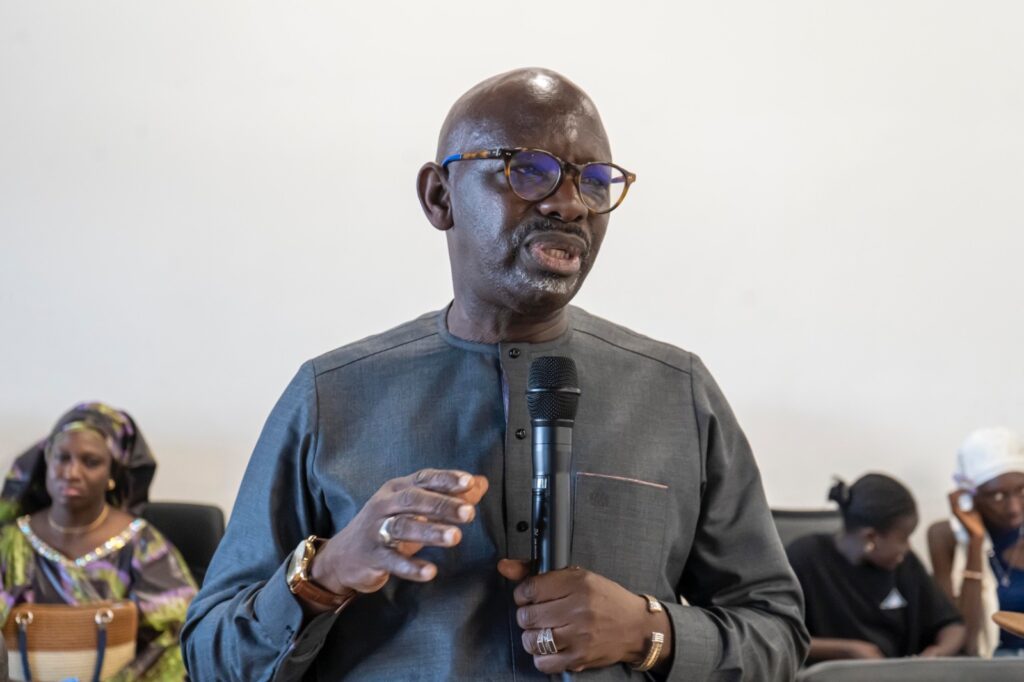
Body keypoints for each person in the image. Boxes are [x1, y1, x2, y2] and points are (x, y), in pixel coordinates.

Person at [182, 68, 809, 681]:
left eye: (594, 181)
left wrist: (649, 631)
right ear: (440, 196)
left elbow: (777, 632)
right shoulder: (331, 395)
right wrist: (327, 574)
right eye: (527, 170)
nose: (569, 203)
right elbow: (210, 658)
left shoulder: (676, 391)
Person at [0, 402, 198, 681]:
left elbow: (181, 635)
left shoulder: (141, 544)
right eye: (62, 458)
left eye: (90, 462)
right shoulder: (11, 542)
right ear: (47, 462)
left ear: (111, 474)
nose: (72, 473)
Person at [787, 474, 965, 663]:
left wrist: (937, 652)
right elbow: (780, 637)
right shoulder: (805, 558)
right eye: (904, 538)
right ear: (871, 538)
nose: (908, 548)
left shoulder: (904, 564)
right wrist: (847, 650)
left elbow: (953, 626)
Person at [927, 427, 1024, 657]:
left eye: (1022, 490)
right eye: (997, 496)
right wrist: (975, 543)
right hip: (985, 666)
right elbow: (967, 643)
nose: (1014, 508)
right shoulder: (945, 537)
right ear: (971, 497)